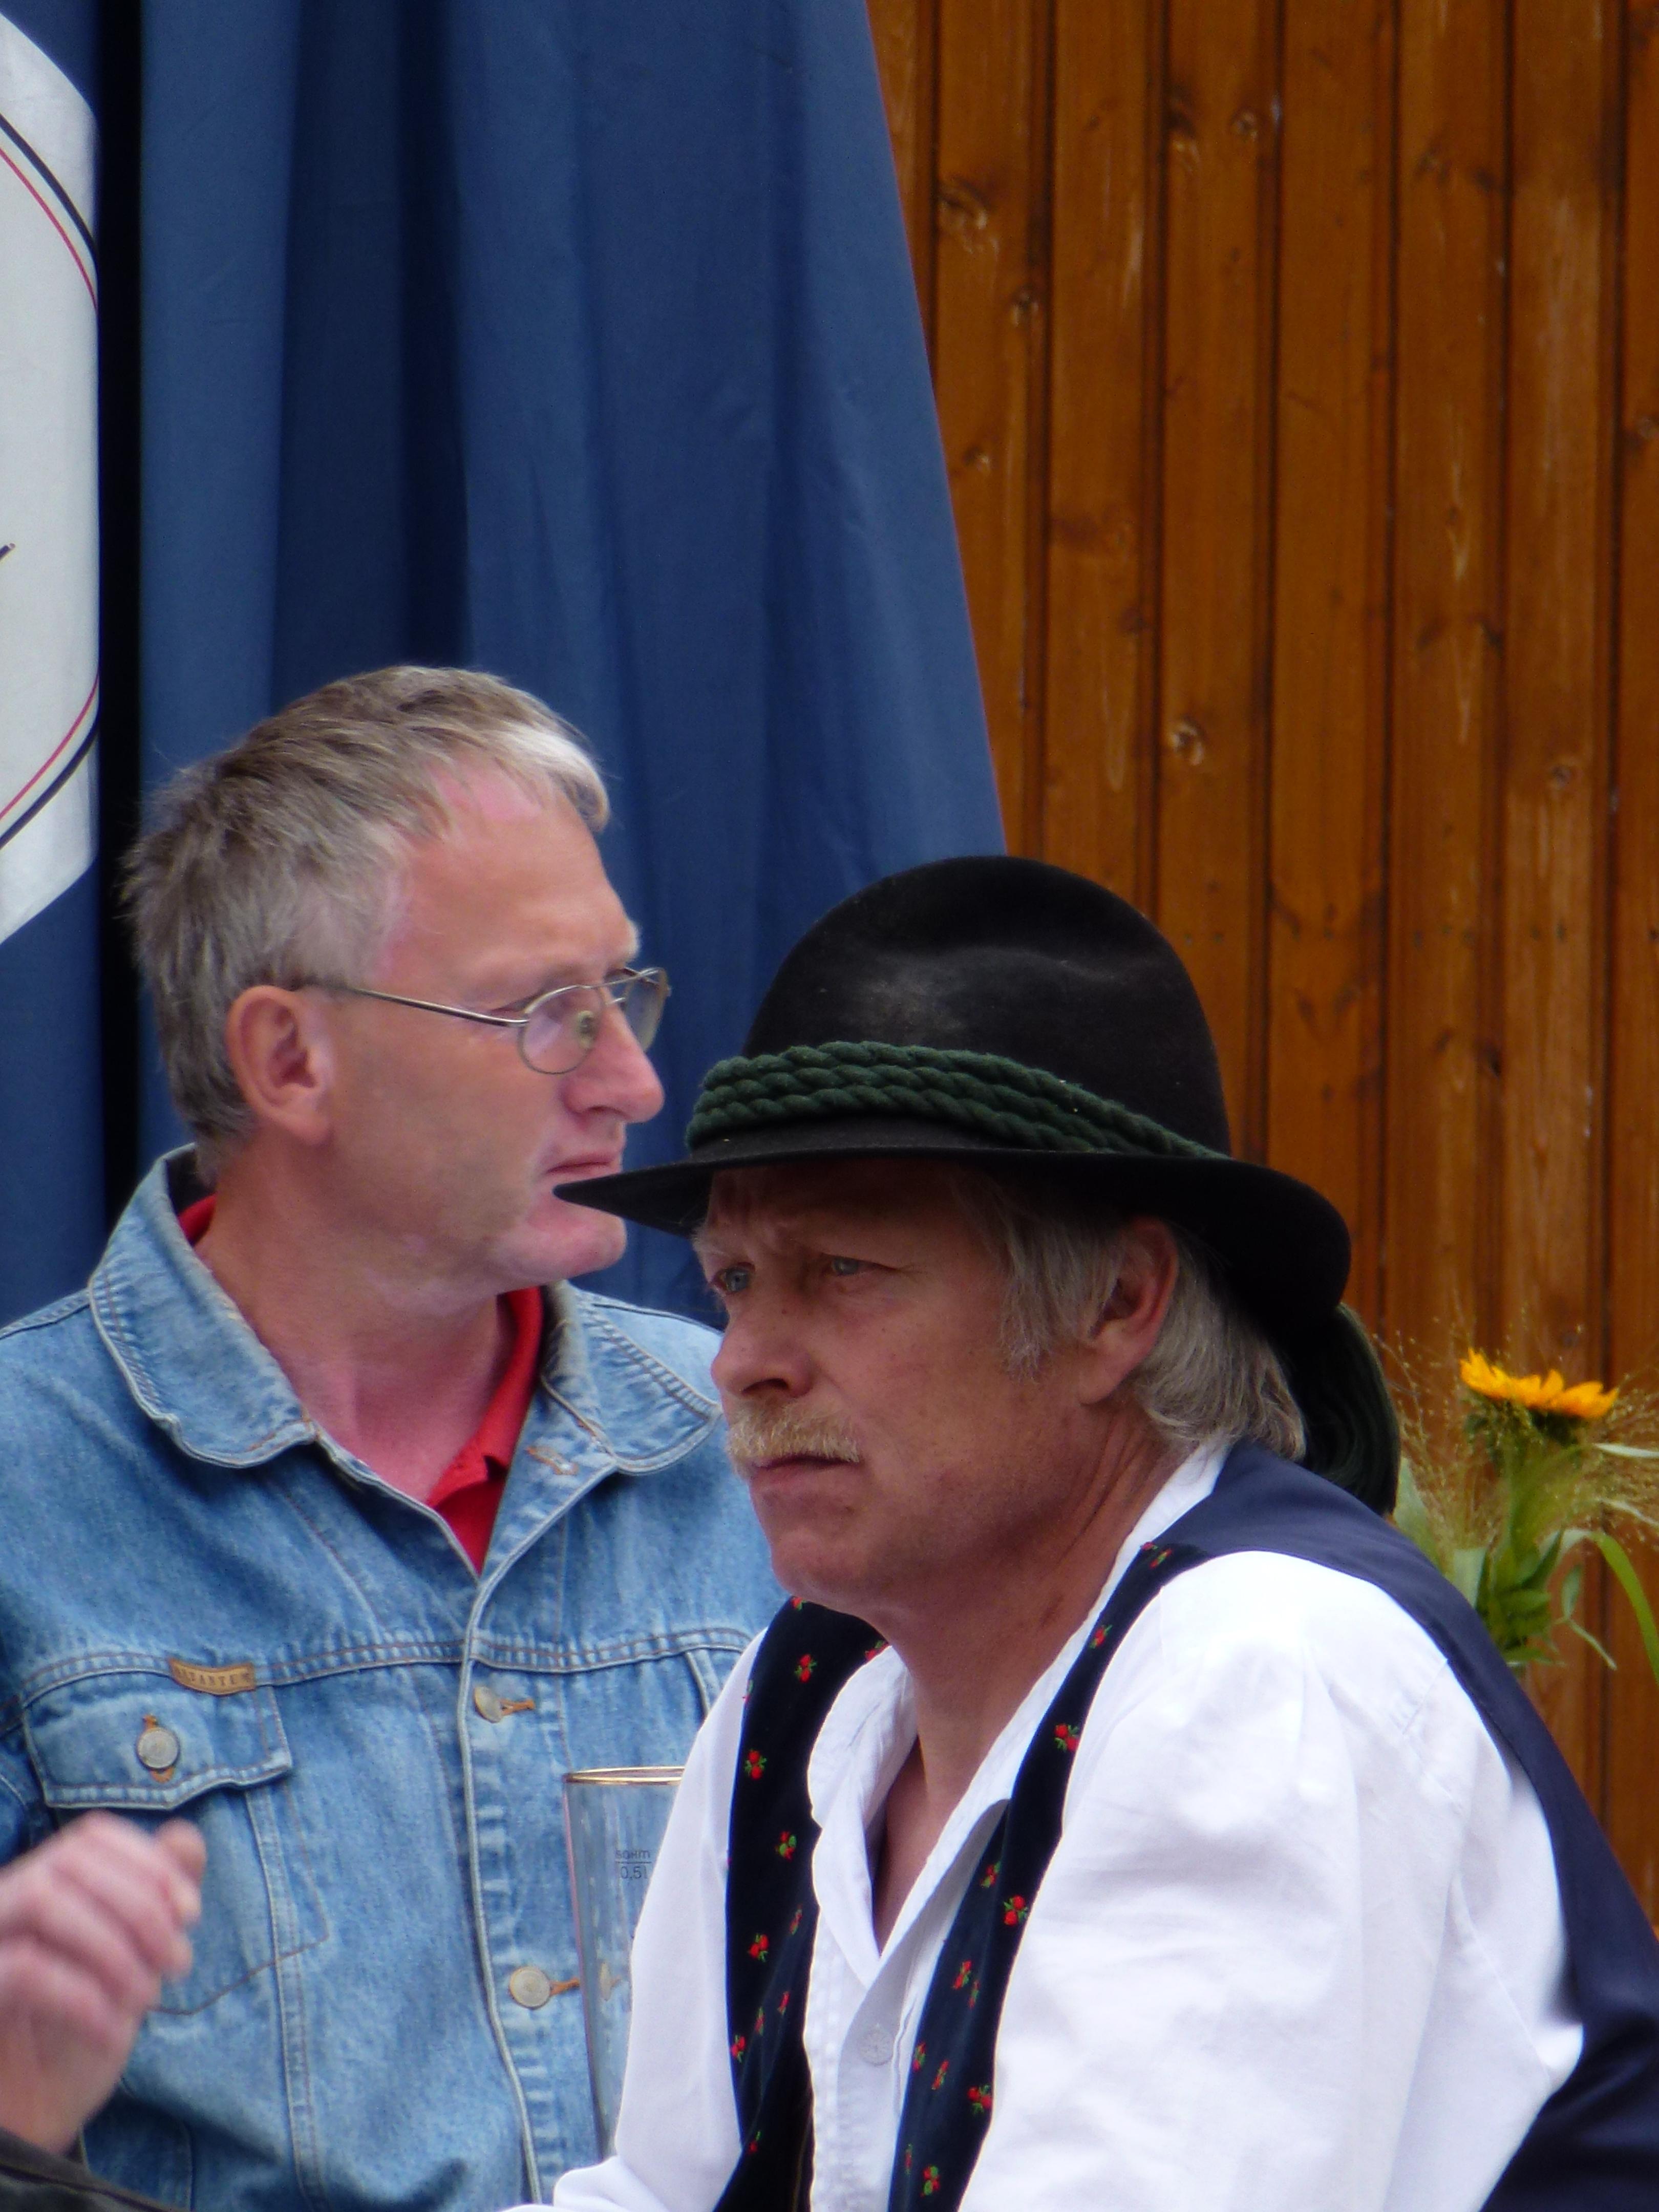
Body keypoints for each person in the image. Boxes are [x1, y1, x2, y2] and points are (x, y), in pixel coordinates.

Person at [547, 855, 1659, 2212]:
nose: (743, 1362)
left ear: (1118, 1303)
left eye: (844, 1271)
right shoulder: (812, 1684)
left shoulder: (1261, 1668)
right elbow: (663, 2192)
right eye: (734, 1279)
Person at [0, 668, 778, 2208]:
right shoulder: (30, 1487)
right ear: (291, 1060)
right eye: (548, 1014)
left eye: (624, 994)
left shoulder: (756, 1445)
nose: (633, 1081)